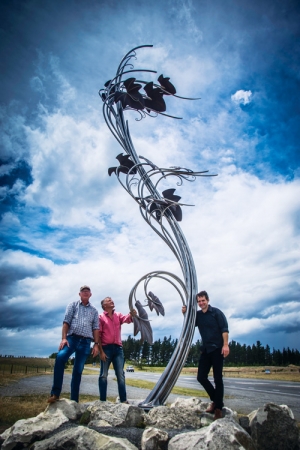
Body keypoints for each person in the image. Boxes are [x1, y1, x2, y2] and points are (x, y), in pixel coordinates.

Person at [48, 285, 105, 403]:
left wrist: (96, 344)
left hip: (86, 342)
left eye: (87, 291)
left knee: (78, 370)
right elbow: (66, 322)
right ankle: (55, 393)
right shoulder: (73, 305)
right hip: (71, 339)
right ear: (79, 294)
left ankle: (74, 400)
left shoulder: (94, 310)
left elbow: (95, 328)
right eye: (83, 291)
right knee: (60, 357)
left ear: (90, 294)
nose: (85, 292)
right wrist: (64, 338)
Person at [182, 290, 229, 420]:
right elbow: (190, 323)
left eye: (203, 300)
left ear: (208, 300)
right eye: (199, 301)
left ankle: (218, 408)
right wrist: (185, 313)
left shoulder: (216, 313)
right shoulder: (197, 315)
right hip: (206, 350)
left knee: (217, 378)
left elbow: (224, 329)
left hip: (217, 349)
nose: (201, 303)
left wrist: (225, 345)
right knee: (201, 377)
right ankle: (217, 400)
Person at [98, 297, 137, 403]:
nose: (112, 301)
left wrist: (132, 314)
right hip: (106, 348)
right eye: (109, 300)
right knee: (103, 375)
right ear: (104, 305)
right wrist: (101, 351)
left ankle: (123, 400)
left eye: (112, 300)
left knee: (120, 374)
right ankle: (102, 401)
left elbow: (127, 319)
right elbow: (98, 335)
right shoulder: (100, 317)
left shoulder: (118, 315)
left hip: (118, 349)